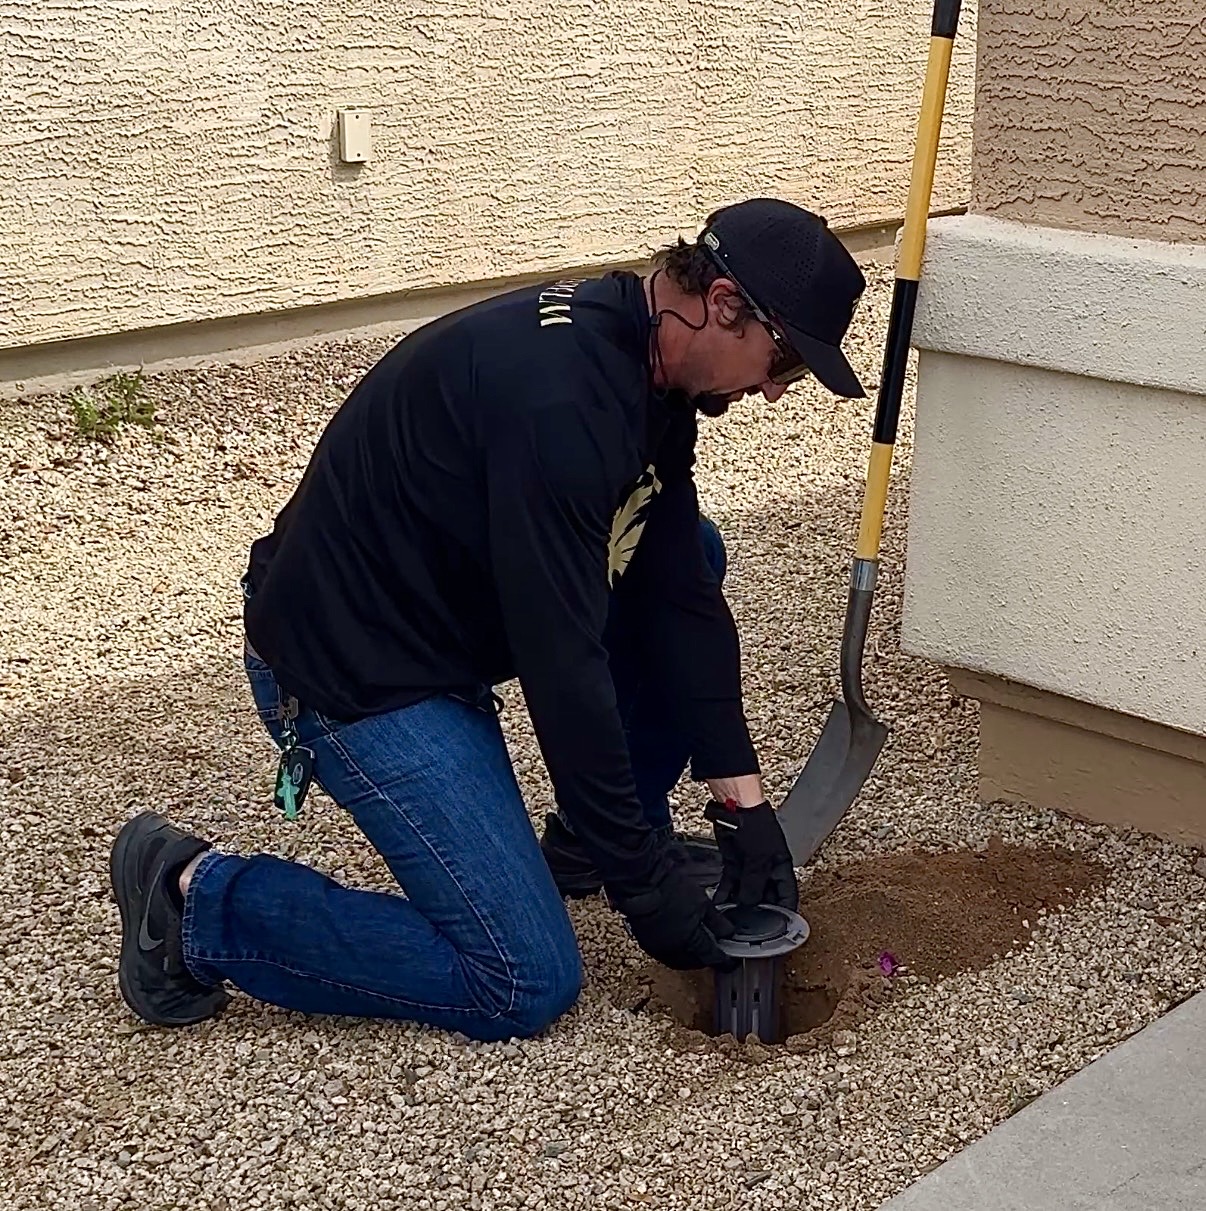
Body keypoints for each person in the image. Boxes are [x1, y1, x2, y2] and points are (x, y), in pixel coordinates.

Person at [108, 197, 867, 1039]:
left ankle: (592, 838)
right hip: (358, 669)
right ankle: (192, 898)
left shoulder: (649, 363)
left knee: (696, 549)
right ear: (724, 304)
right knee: (522, 977)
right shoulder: (561, 407)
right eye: (784, 361)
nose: (770, 390)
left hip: (446, 616)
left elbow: (680, 590)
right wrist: (647, 888)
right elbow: (565, 670)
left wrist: (743, 805)